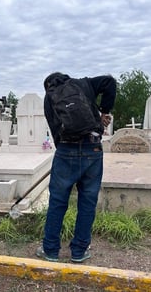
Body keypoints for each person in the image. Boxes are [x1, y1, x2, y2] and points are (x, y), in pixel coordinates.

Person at [36, 72, 116, 263]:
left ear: (48, 86)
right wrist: (104, 112)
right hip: (93, 148)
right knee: (87, 202)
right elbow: (110, 82)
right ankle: (79, 251)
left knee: (57, 201)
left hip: (66, 150)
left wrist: (65, 152)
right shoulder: (84, 84)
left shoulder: (49, 98)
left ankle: (50, 250)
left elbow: (55, 129)